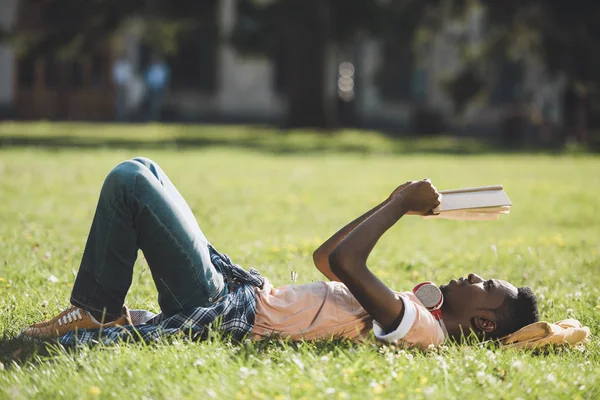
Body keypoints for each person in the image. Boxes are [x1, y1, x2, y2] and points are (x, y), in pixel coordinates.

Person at [22, 158, 539, 349]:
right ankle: (100, 310)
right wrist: (391, 204)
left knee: (132, 180)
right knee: (145, 172)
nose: (475, 275)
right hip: (236, 292)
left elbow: (346, 264)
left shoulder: (423, 329)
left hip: (231, 312)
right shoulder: (418, 312)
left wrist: (402, 202)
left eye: (487, 285)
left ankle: (97, 311)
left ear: (484, 325)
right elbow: (326, 257)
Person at [144, 56, 170, 122]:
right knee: (152, 104)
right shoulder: (150, 68)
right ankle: (152, 118)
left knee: (159, 104)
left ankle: (158, 118)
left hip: (160, 88)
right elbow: (148, 78)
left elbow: (165, 79)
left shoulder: (163, 68)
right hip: (152, 88)